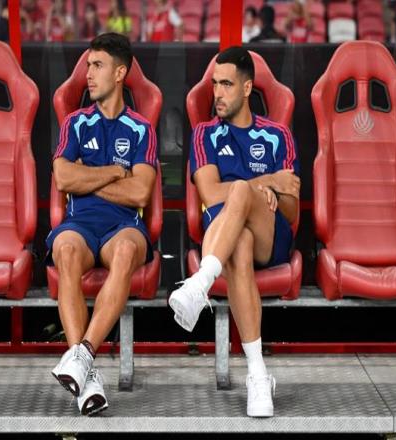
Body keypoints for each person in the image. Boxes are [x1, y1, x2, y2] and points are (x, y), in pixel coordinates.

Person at [169, 47, 300, 417]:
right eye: (214, 84)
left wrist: (262, 191)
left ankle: (200, 283)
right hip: (226, 239)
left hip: (270, 237)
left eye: (226, 84)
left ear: (246, 88)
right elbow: (210, 194)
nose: (218, 93)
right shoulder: (204, 134)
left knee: (241, 190)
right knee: (238, 238)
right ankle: (258, 375)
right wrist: (267, 183)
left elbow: (291, 211)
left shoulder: (277, 135)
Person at [47, 32, 157, 416]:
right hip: (79, 224)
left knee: (125, 251)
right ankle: (87, 372)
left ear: (120, 73)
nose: (88, 75)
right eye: (88, 66)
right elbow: (63, 178)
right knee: (65, 250)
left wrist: (87, 175)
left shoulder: (141, 128)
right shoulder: (75, 124)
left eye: (97, 66)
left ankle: (82, 357)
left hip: (124, 226)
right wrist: (113, 172)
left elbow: (140, 193)